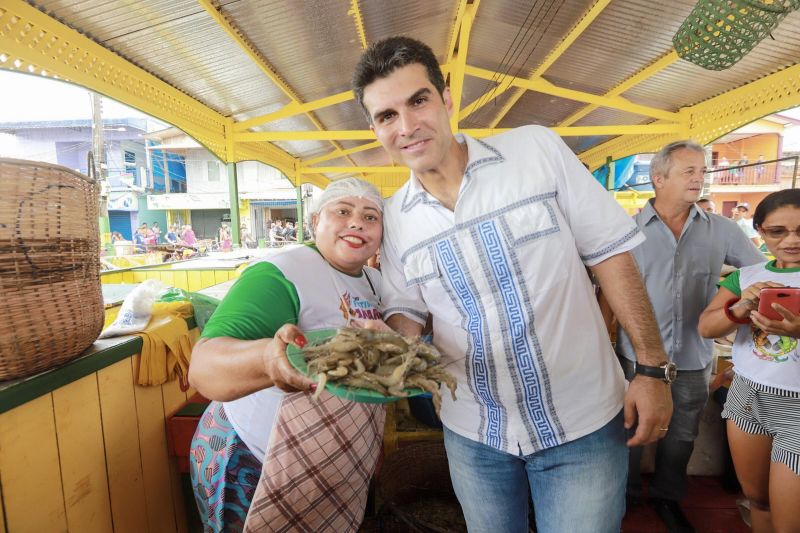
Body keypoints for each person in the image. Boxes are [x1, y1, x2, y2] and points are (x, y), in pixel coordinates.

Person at [352, 36, 672, 532]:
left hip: (582, 422)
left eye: (418, 101)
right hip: (474, 433)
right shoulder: (395, 220)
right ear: (375, 128)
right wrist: (384, 356)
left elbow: (611, 254)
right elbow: (407, 314)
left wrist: (652, 369)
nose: (407, 125)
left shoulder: (535, 150)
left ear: (447, 98)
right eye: (386, 115)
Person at [187, 178, 385, 533]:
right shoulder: (282, 273)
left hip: (323, 459)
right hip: (252, 453)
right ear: (313, 222)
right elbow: (203, 368)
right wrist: (268, 359)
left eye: (371, 217)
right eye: (343, 211)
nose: (357, 222)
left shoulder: (374, 282)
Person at [610, 141, 764, 532]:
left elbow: (761, 275)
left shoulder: (723, 230)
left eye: (702, 171)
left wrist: (733, 300)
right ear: (658, 178)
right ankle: (623, 496)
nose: (700, 178)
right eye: (689, 171)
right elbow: (606, 291)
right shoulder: (625, 231)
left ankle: (667, 497)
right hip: (636, 355)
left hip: (695, 355)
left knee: (682, 433)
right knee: (629, 429)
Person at [698, 189, 800, 533]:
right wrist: (739, 309)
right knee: (757, 500)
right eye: (778, 231)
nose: (791, 240)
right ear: (760, 230)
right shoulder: (745, 277)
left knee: (790, 522)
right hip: (748, 396)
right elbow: (706, 327)